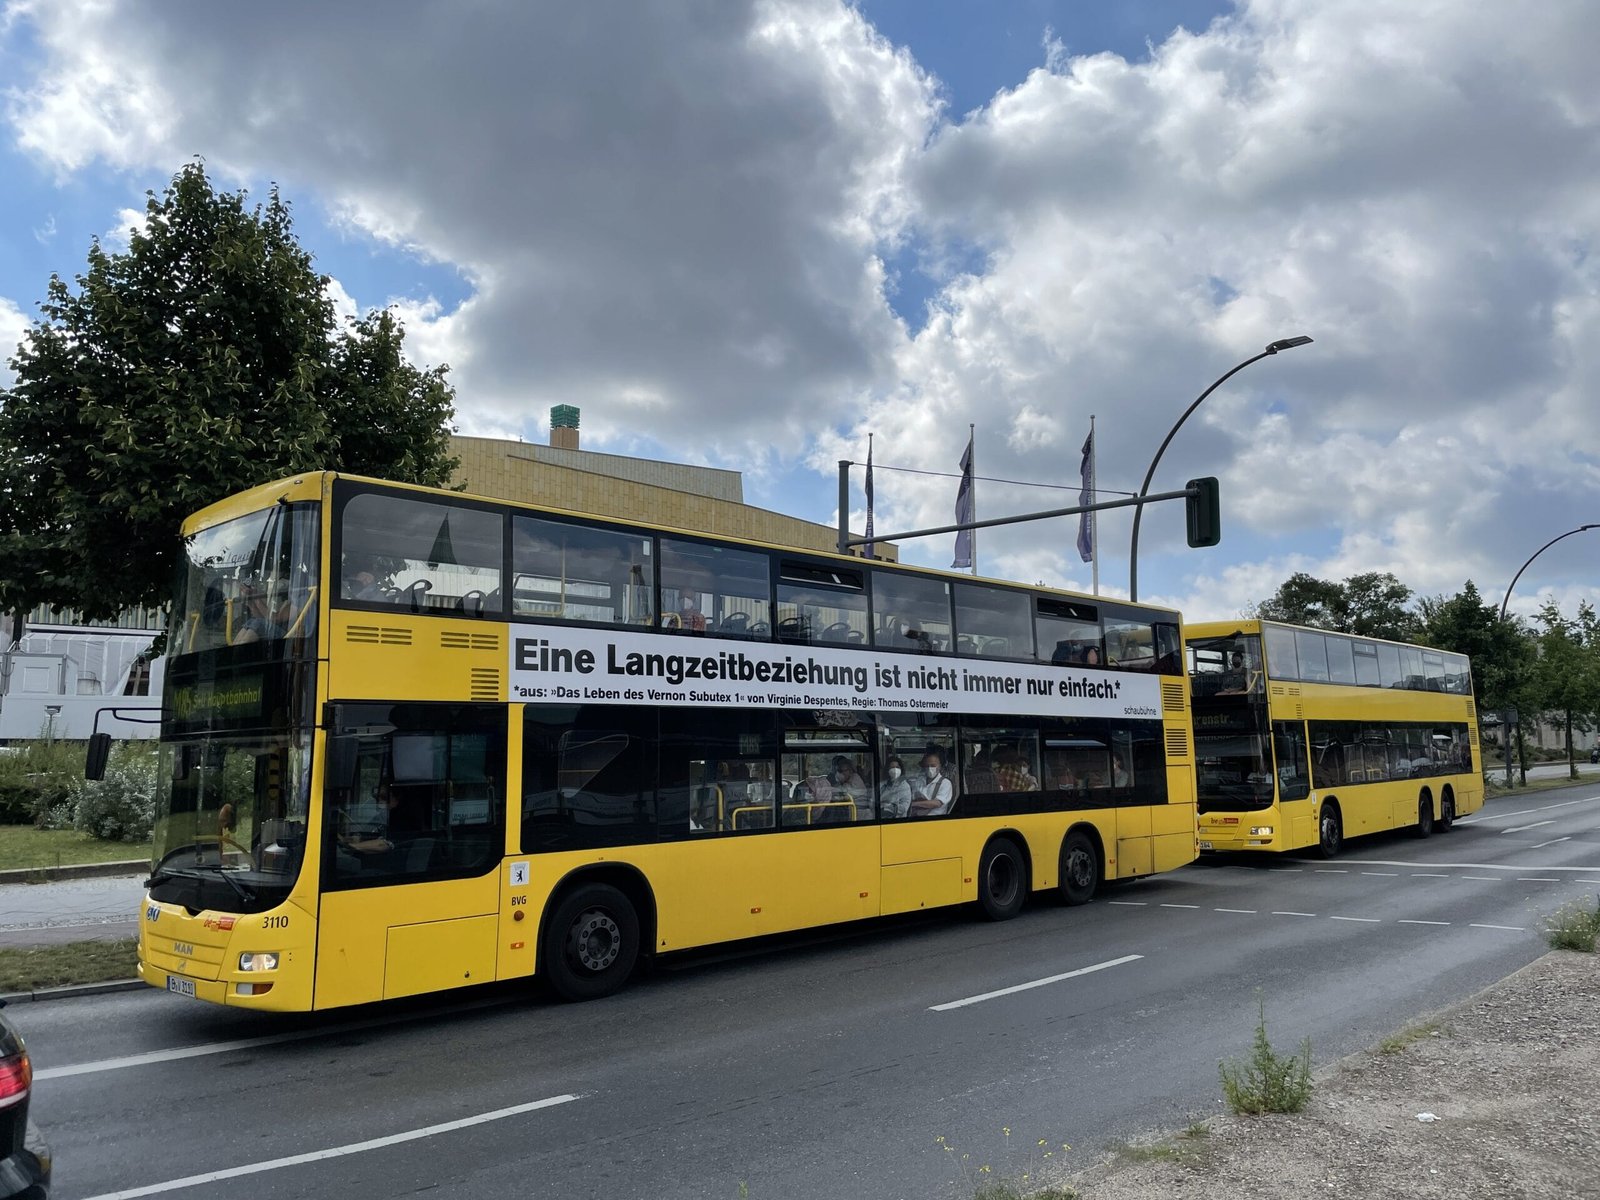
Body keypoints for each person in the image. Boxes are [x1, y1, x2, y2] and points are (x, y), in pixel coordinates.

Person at [910, 748, 954, 816]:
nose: (930, 768)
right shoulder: (919, 781)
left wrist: (914, 804)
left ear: (939, 766)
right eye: (927, 766)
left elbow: (937, 803)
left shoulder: (945, 783)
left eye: (933, 766)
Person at [828, 755, 870, 820]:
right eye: (839, 771)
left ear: (850, 771)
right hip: (852, 811)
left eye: (842, 771)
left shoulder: (856, 779)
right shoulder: (847, 780)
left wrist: (839, 779)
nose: (841, 773)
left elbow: (842, 794)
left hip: (859, 814)